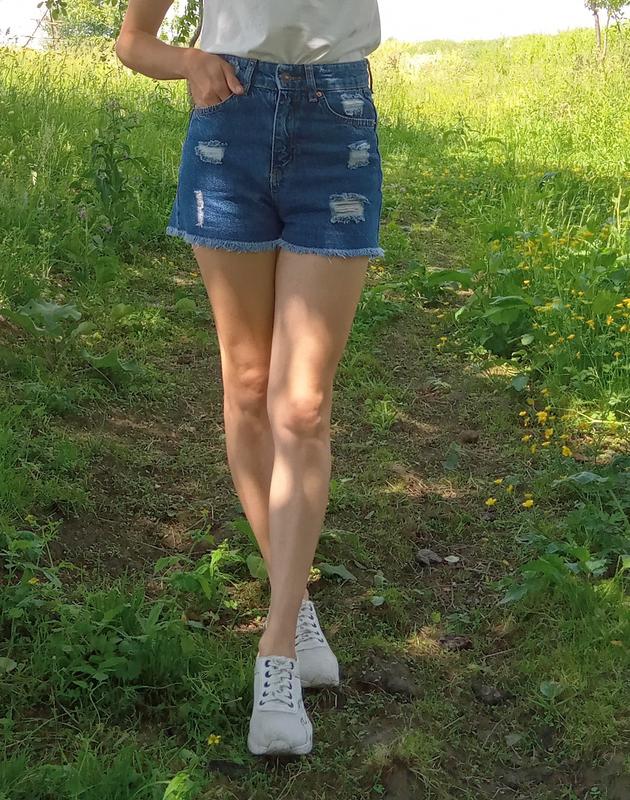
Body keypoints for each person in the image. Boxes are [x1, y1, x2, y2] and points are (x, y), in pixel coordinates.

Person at [114, 0, 383, 756]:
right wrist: (188, 62)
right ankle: (293, 604)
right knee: (249, 380)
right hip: (228, 127)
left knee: (303, 405)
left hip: (337, 121)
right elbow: (132, 42)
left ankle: (276, 647)